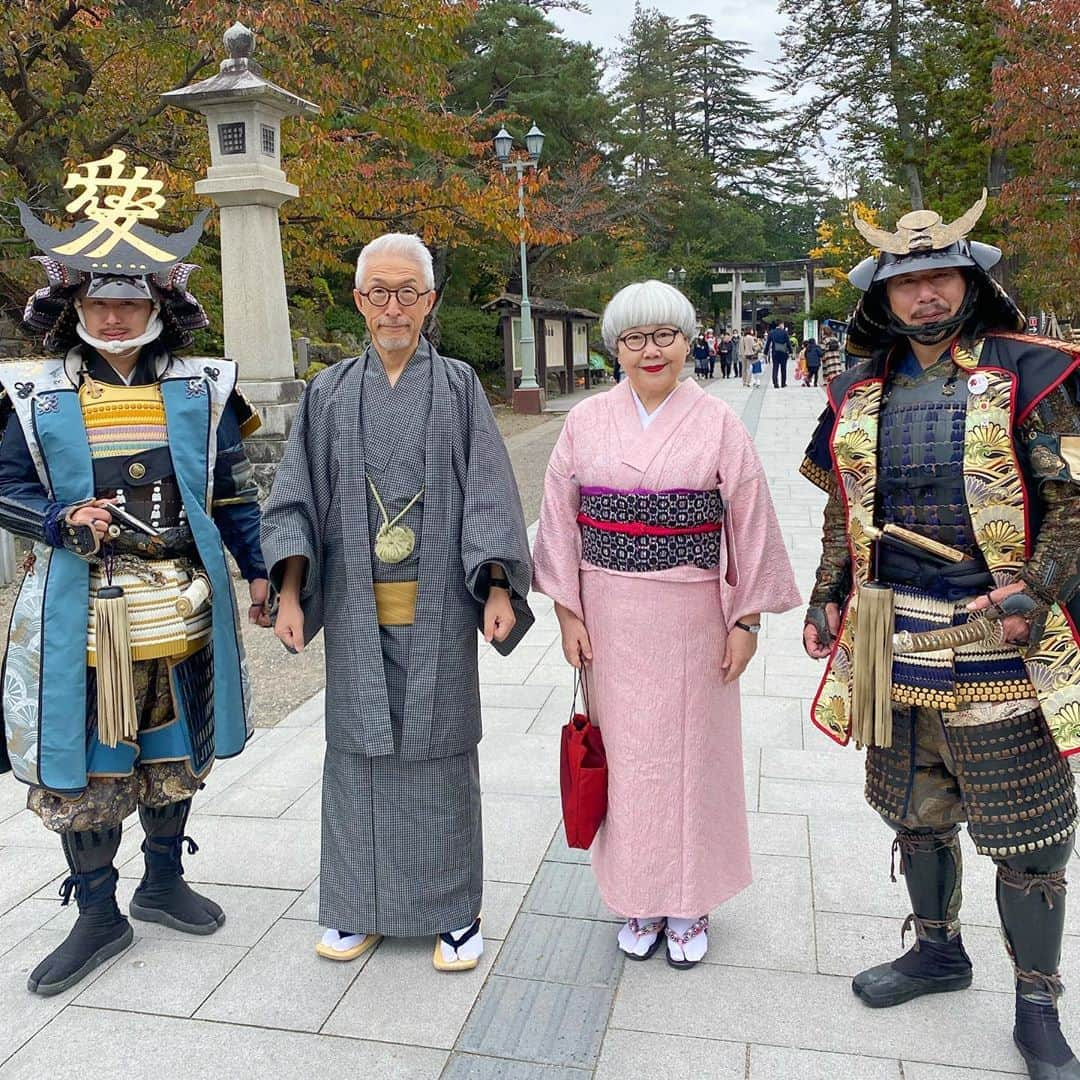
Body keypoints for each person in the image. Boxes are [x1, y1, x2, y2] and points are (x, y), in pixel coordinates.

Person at [800, 191, 1080, 1079]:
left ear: (972, 280)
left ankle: (1037, 1004)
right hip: (887, 623)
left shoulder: (1032, 374)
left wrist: (1036, 592)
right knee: (913, 808)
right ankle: (937, 950)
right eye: (907, 280)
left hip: (992, 623)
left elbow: (1073, 502)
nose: (925, 295)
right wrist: (826, 595)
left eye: (940, 277)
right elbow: (845, 509)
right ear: (881, 295)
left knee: (1027, 830)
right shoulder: (855, 388)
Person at [0, 152, 268, 996]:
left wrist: (260, 572)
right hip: (83, 604)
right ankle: (94, 911)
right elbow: (3, 484)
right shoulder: (32, 395)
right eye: (99, 302)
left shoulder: (203, 387)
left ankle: (161, 879)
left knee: (174, 746)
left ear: (157, 305)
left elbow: (232, 492)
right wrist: (55, 519)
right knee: (84, 757)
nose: (114, 317)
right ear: (73, 306)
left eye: (129, 302)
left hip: (181, 596)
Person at [261, 233, 532, 973]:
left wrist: (500, 584)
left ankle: (453, 913)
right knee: (355, 754)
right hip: (351, 604)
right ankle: (356, 908)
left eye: (408, 291)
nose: (393, 306)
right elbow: (295, 497)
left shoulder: (457, 387)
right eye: (378, 291)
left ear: (430, 301)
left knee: (440, 752)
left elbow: (489, 491)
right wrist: (289, 591)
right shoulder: (327, 393)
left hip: (441, 604)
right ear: (358, 301)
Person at [533, 279, 800, 969]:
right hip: (609, 614)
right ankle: (637, 896)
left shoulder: (717, 424)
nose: (650, 352)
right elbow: (560, 520)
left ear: (688, 341)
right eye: (633, 339)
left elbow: (748, 520)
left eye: (664, 337)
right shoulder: (585, 421)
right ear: (614, 347)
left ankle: (689, 899)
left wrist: (746, 622)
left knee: (693, 758)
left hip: (692, 614)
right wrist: (568, 611)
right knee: (625, 758)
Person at [766, 322, 791, 388]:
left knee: (775, 368)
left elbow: (768, 343)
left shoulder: (771, 332)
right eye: (783, 324)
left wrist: (765, 353)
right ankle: (783, 383)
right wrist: (790, 351)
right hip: (783, 352)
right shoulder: (785, 332)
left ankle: (775, 383)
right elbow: (788, 343)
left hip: (775, 352)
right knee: (783, 368)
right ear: (780, 325)